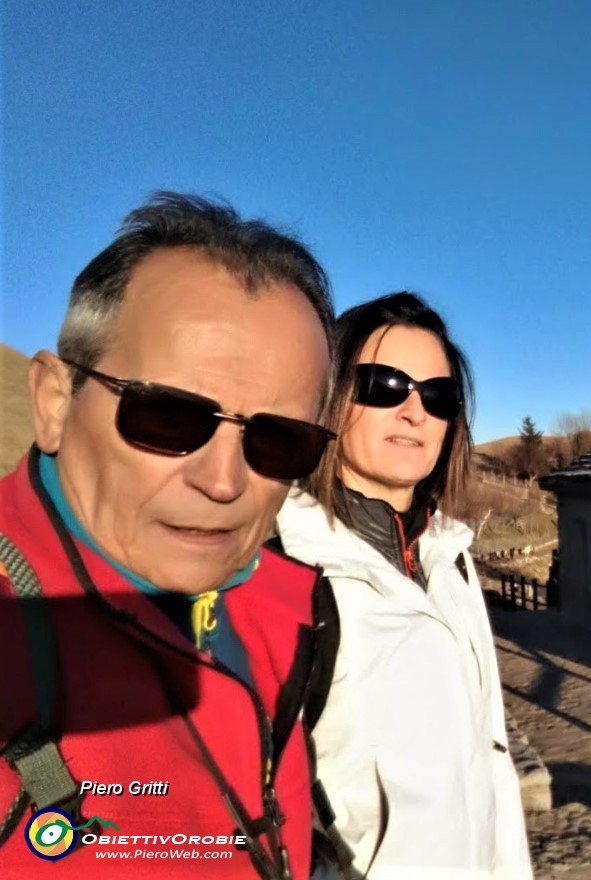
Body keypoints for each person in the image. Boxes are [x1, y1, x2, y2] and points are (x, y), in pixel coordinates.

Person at [0, 192, 337, 878]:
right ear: (55, 401)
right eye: (167, 417)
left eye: (279, 440)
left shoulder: (292, 609)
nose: (223, 481)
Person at [274, 292, 533, 879]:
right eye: (383, 386)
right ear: (329, 396)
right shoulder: (285, 574)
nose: (416, 412)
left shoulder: (450, 559)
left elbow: (492, 762)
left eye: (437, 397)